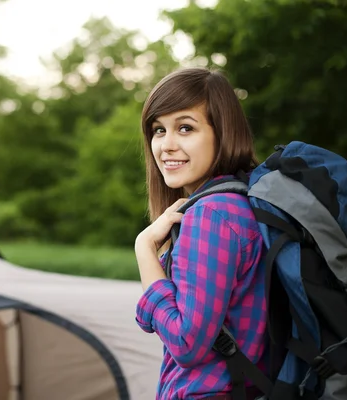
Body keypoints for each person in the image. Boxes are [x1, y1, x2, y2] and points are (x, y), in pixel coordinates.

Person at [134, 67, 269, 400]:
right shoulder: (242, 201)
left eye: (185, 128)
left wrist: (144, 249)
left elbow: (186, 343)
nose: (166, 145)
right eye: (158, 130)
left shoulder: (210, 214)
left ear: (222, 133)